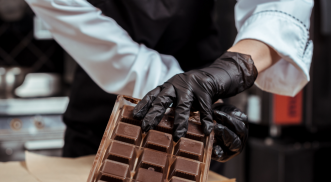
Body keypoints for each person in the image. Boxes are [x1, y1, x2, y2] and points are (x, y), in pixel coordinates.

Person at [26, 0, 313, 161]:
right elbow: (119, 57)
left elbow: (279, 6)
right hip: (105, 118)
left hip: (200, 110)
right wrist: (198, 101)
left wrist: (232, 69)